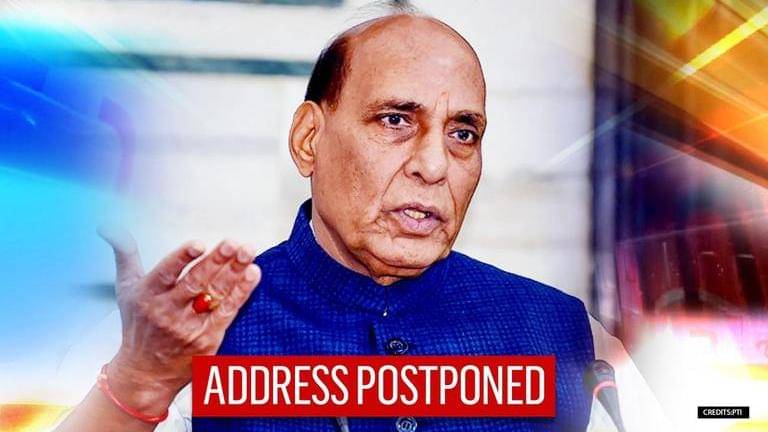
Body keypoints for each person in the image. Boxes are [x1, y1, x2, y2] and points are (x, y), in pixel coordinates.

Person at [55, 11, 595, 432]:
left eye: (462, 134)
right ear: (308, 140)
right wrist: (140, 382)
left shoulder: (559, 331)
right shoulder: (185, 335)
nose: (434, 166)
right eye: (396, 120)